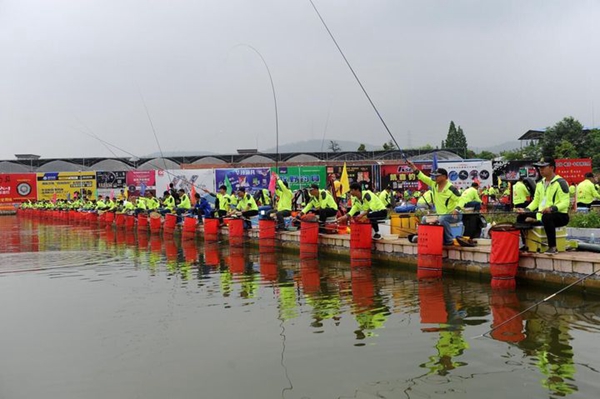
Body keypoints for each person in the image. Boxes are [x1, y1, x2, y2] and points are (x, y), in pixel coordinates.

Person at [516, 157, 570, 255]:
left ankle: (552, 247)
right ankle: (526, 244)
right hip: (541, 214)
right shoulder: (540, 184)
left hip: (560, 215)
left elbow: (565, 202)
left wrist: (552, 208)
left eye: (543, 167)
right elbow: (536, 202)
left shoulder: (561, 183)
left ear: (552, 168)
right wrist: (526, 210)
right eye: (539, 168)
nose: (540, 170)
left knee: (547, 217)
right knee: (520, 217)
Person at [406, 160, 464, 246]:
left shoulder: (451, 188)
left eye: (437, 176)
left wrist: (456, 209)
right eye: (433, 176)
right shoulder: (434, 184)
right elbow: (422, 176)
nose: (434, 178)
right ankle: (426, 238)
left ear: (444, 177)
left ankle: (449, 240)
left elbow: (461, 200)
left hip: (455, 215)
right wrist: (412, 166)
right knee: (425, 219)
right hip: (440, 214)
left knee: (442, 219)